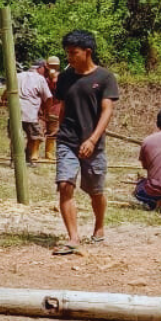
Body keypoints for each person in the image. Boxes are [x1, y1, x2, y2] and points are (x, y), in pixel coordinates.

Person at [53, 30, 119, 255]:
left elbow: (107, 111)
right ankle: (73, 238)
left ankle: (99, 226)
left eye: (74, 53)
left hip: (93, 144)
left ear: (87, 52)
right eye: (67, 53)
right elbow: (63, 107)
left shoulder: (105, 78)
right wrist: (57, 131)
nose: (69, 57)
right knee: (64, 185)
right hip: (67, 140)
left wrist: (92, 139)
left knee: (95, 191)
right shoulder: (65, 77)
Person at [2, 59, 52, 166]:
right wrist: (47, 112)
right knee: (33, 138)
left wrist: (2, 99)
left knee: (15, 138)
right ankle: (27, 159)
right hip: (31, 114)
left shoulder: (18, 76)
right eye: (45, 69)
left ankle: (14, 161)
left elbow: (7, 90)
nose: (46, 72)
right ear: (40, 68)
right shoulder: (40, 79)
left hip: (16, 112)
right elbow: (48, 98)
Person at [42, 55, 62, 161]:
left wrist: (54, 78)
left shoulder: (60, 77)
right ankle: (32, 152)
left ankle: (49, 152)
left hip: (55, 105)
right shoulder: (42, 78)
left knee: (53, 130)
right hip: (43, 105)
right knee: (38, 130)